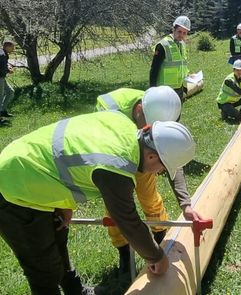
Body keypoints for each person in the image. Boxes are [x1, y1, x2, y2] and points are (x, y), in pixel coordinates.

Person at [0, 112, 196, 295]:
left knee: (58, 240)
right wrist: (156, 257)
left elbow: (71, 155)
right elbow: (128, 221)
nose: (158, 173)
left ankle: (74, 290)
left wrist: (63, 203)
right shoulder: (116, 166)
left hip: (32, 170)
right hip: (14, 185)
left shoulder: (122, 124)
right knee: (43, 267)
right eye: (161, 169)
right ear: (152, 156)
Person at [94, 86, 197, 280]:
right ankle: (125, 253)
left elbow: (171, 158)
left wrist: (185, 203)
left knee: (149, 196)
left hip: (143, 155)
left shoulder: (162, 108)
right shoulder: (110, 112)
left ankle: (162, 238)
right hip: (114, 160)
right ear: (139, 110)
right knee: (116, 208)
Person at [150, 16, 192, 101]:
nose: (181, 35)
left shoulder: (182, 44)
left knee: (177, 113)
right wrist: (152, 90)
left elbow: (181, 65)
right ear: (173, 29)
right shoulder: (163, 45)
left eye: (184, 33)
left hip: (179, 88)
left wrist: (188, 75)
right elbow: (154, 69)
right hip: (164, 90)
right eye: (179, 31)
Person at [0, 37, 16, 126]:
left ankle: (3, 111)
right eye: (12, 47)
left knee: (10, 92)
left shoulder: (3, 53)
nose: (13, 49)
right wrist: (9, 70)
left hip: (2, 78)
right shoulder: (2, 55)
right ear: (7, 46)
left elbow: (4, 64)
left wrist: (8, 66)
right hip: (0, 78)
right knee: (0, 96)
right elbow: (2, 68)